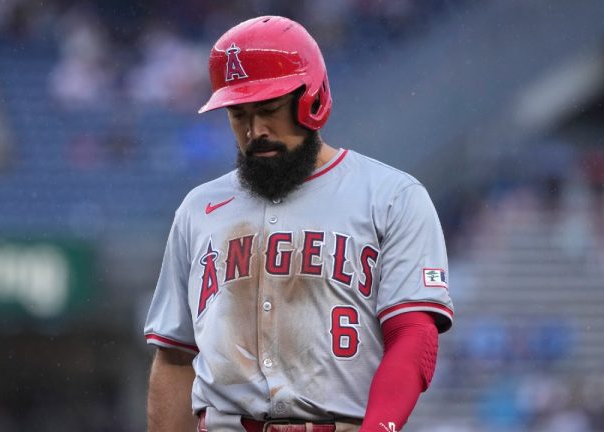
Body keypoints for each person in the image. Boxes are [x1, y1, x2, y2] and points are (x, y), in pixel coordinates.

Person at [144, 16, 454, 432]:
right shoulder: (198, 209)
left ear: (312, 100)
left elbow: (414, 334)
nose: (256, 131)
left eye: (269, 110)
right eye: (239, 115)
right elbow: (175, 356)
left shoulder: (391, 195)